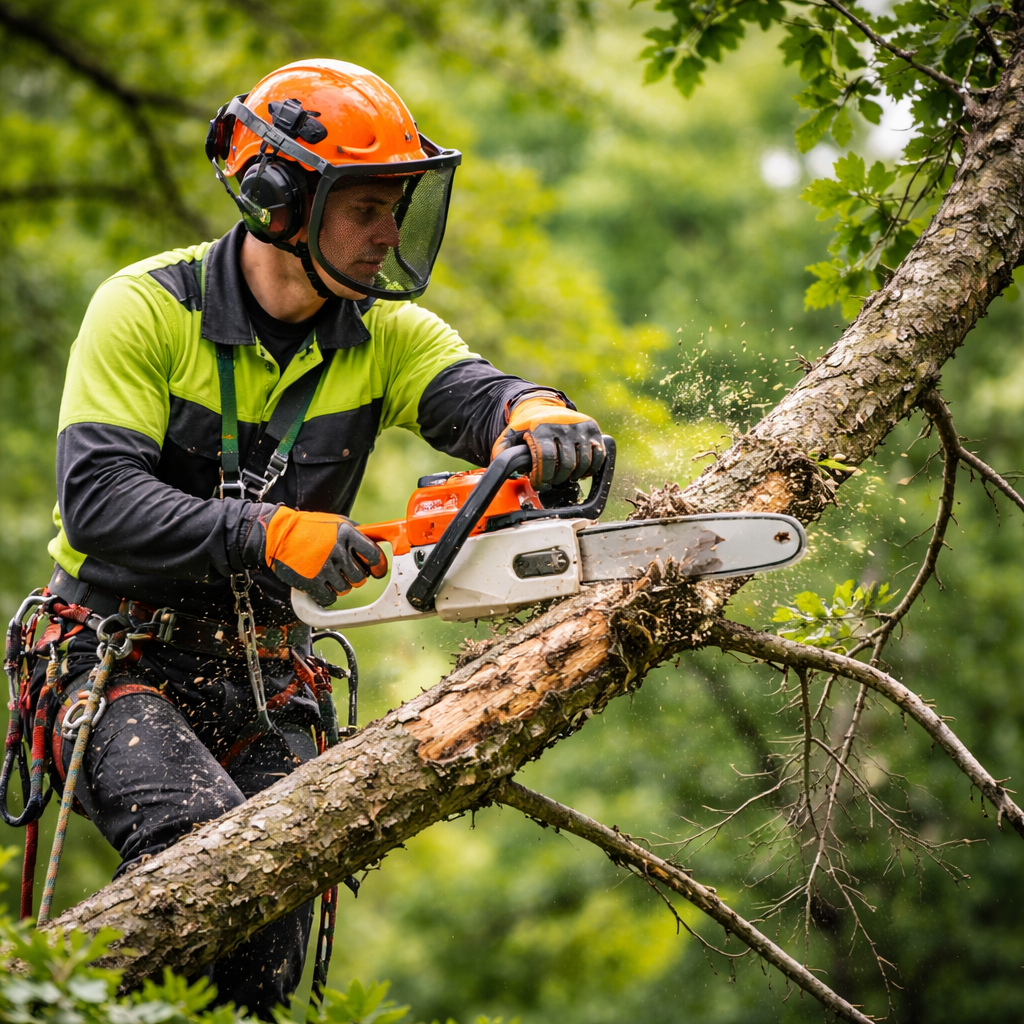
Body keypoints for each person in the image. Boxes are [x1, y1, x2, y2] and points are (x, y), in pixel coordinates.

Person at [34, 59, 605, 1017]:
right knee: (198, 840)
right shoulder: (146, 309)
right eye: (367, 207)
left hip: (265, 670)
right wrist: (265, 531)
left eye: (398, 208)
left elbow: (473, 392)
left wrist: (534, 412)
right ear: (280, 199)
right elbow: (97, 504)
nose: (389, 234)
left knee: (270, 928)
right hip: (112, 654)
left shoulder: (387, 334)